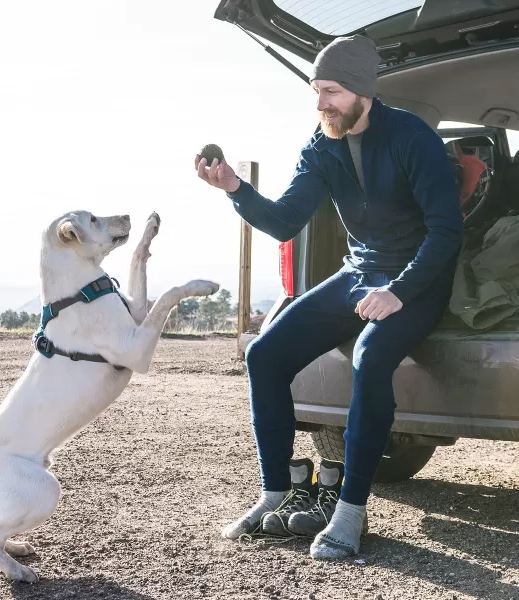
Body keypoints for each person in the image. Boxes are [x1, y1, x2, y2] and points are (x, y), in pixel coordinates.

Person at [195, 35, 463, 560]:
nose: (321, 103)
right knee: (264, 355)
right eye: (317, 90)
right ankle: (277, 492)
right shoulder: (321, 146)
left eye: (332, 91)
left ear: (363, 91)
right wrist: (233, 188)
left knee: (371, 356)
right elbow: (284, 222)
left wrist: (399, 292)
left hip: (417, 281)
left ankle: (349, 511)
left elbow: (445, 231)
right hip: (360, 273)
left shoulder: (412, 138)